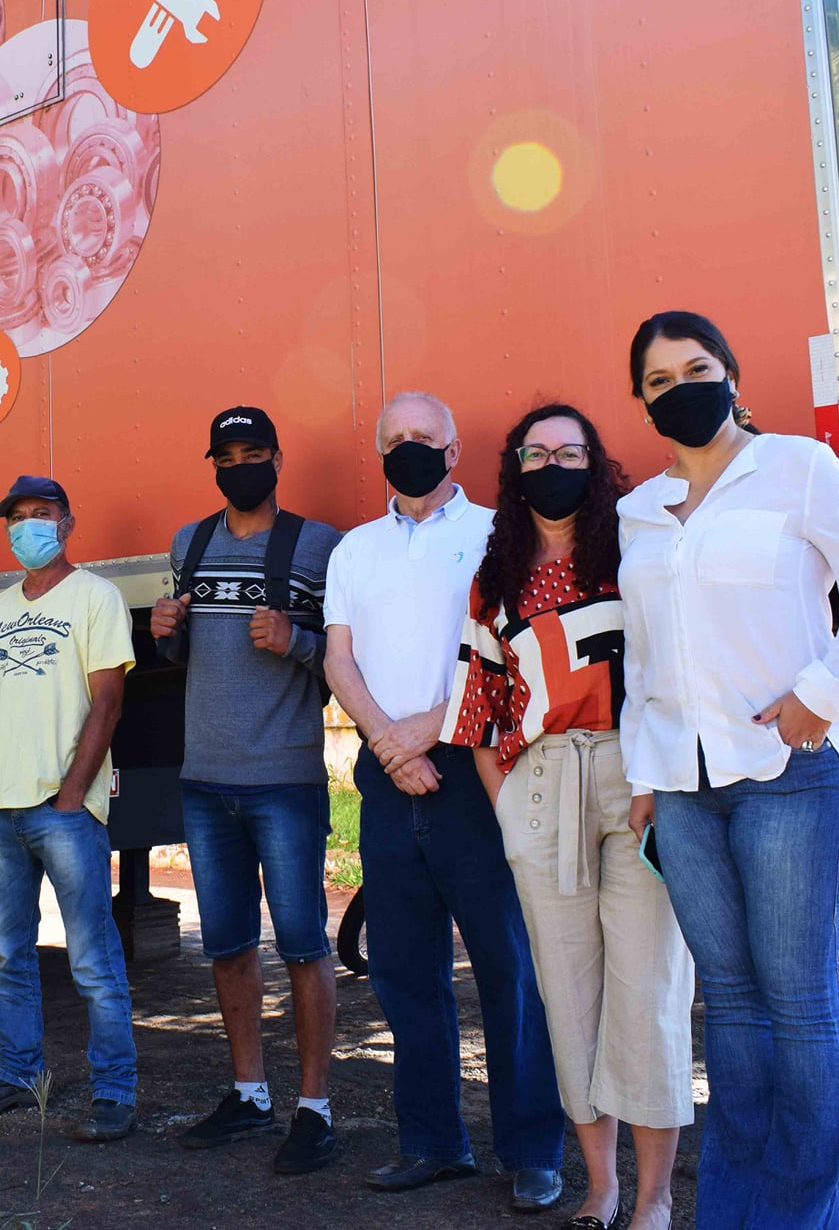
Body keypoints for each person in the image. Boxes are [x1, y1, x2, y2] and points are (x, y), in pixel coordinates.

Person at [617, 312, 839, 1229]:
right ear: (642, 402)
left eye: (696, 368)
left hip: (789, 769)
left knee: (797, 1003)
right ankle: (734, 1212)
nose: (680, 388)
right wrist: (643, 776)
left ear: (731, 374)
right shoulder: (640, 509)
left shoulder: (799, 467)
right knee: (729, 1005)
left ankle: (801, 1217)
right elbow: (642, 657)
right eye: (659, 380)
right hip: (683, 789)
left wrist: (825, 692)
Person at [449, 404, 692, 1230]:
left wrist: (661, 776)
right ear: (515, 467)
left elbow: (678, 667)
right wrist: (511, 816)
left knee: (649, 989)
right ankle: (602, 1187)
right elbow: (480, 715)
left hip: (639, 776)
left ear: (596, 463)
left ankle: (655, 1197)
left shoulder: (634, 550)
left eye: (569, 450)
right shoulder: (497, 579)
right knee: (568, 995)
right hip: (543, 787)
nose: (552, 464)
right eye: (537, 452)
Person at [323, 391, 565, 1207]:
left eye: (424, 436)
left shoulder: (499, 534)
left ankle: (532, 1150)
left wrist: (426, 733)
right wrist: (389, 746)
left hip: (476, 772)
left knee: (510, 966)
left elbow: (510, 656)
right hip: (388, 776)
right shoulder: (355, 549)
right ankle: (431, 1142)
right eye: (395, 437)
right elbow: (339, 660)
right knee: (403, 969)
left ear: (455, 450)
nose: (410, 447)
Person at [150, 407, 343, 1175]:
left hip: (285, 780)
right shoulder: (189, 543)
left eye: (252, 452)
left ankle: (315, 1108)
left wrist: (297, 640)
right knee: (227, 944)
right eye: (225, 456)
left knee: (303, 944)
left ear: (277, 457)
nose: (240, 466)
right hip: (206, 778)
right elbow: (184, 652)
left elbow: (347, 655)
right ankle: (250, 1092)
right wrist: (166, 630)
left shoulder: (317, 546)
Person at [0, 477, 139, 1143]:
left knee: (91, 957)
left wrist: (71, 794)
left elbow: (108, 701)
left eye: (42, 513)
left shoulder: (96, 596)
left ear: (67, 523)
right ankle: (19, 1073)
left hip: (63, 810)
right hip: (0, 811)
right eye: (17, 517)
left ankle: (114, 1090)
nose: (28, 525)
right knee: (9, 954)